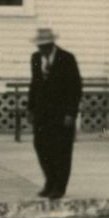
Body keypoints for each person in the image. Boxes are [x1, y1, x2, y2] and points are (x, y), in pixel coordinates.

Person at [28, 26, 82, 198]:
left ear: (51, 44)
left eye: (44, 46)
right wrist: (30, 109)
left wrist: (71, 113)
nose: (40, 49)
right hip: (41, 113)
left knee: (61, 150)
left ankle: (60, 186)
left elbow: (75, 88)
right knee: (41, 147)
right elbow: (34, 85)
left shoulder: (66, 58)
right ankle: (49, 181)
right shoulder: (35, 58)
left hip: (61, 114)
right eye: (39, 46)